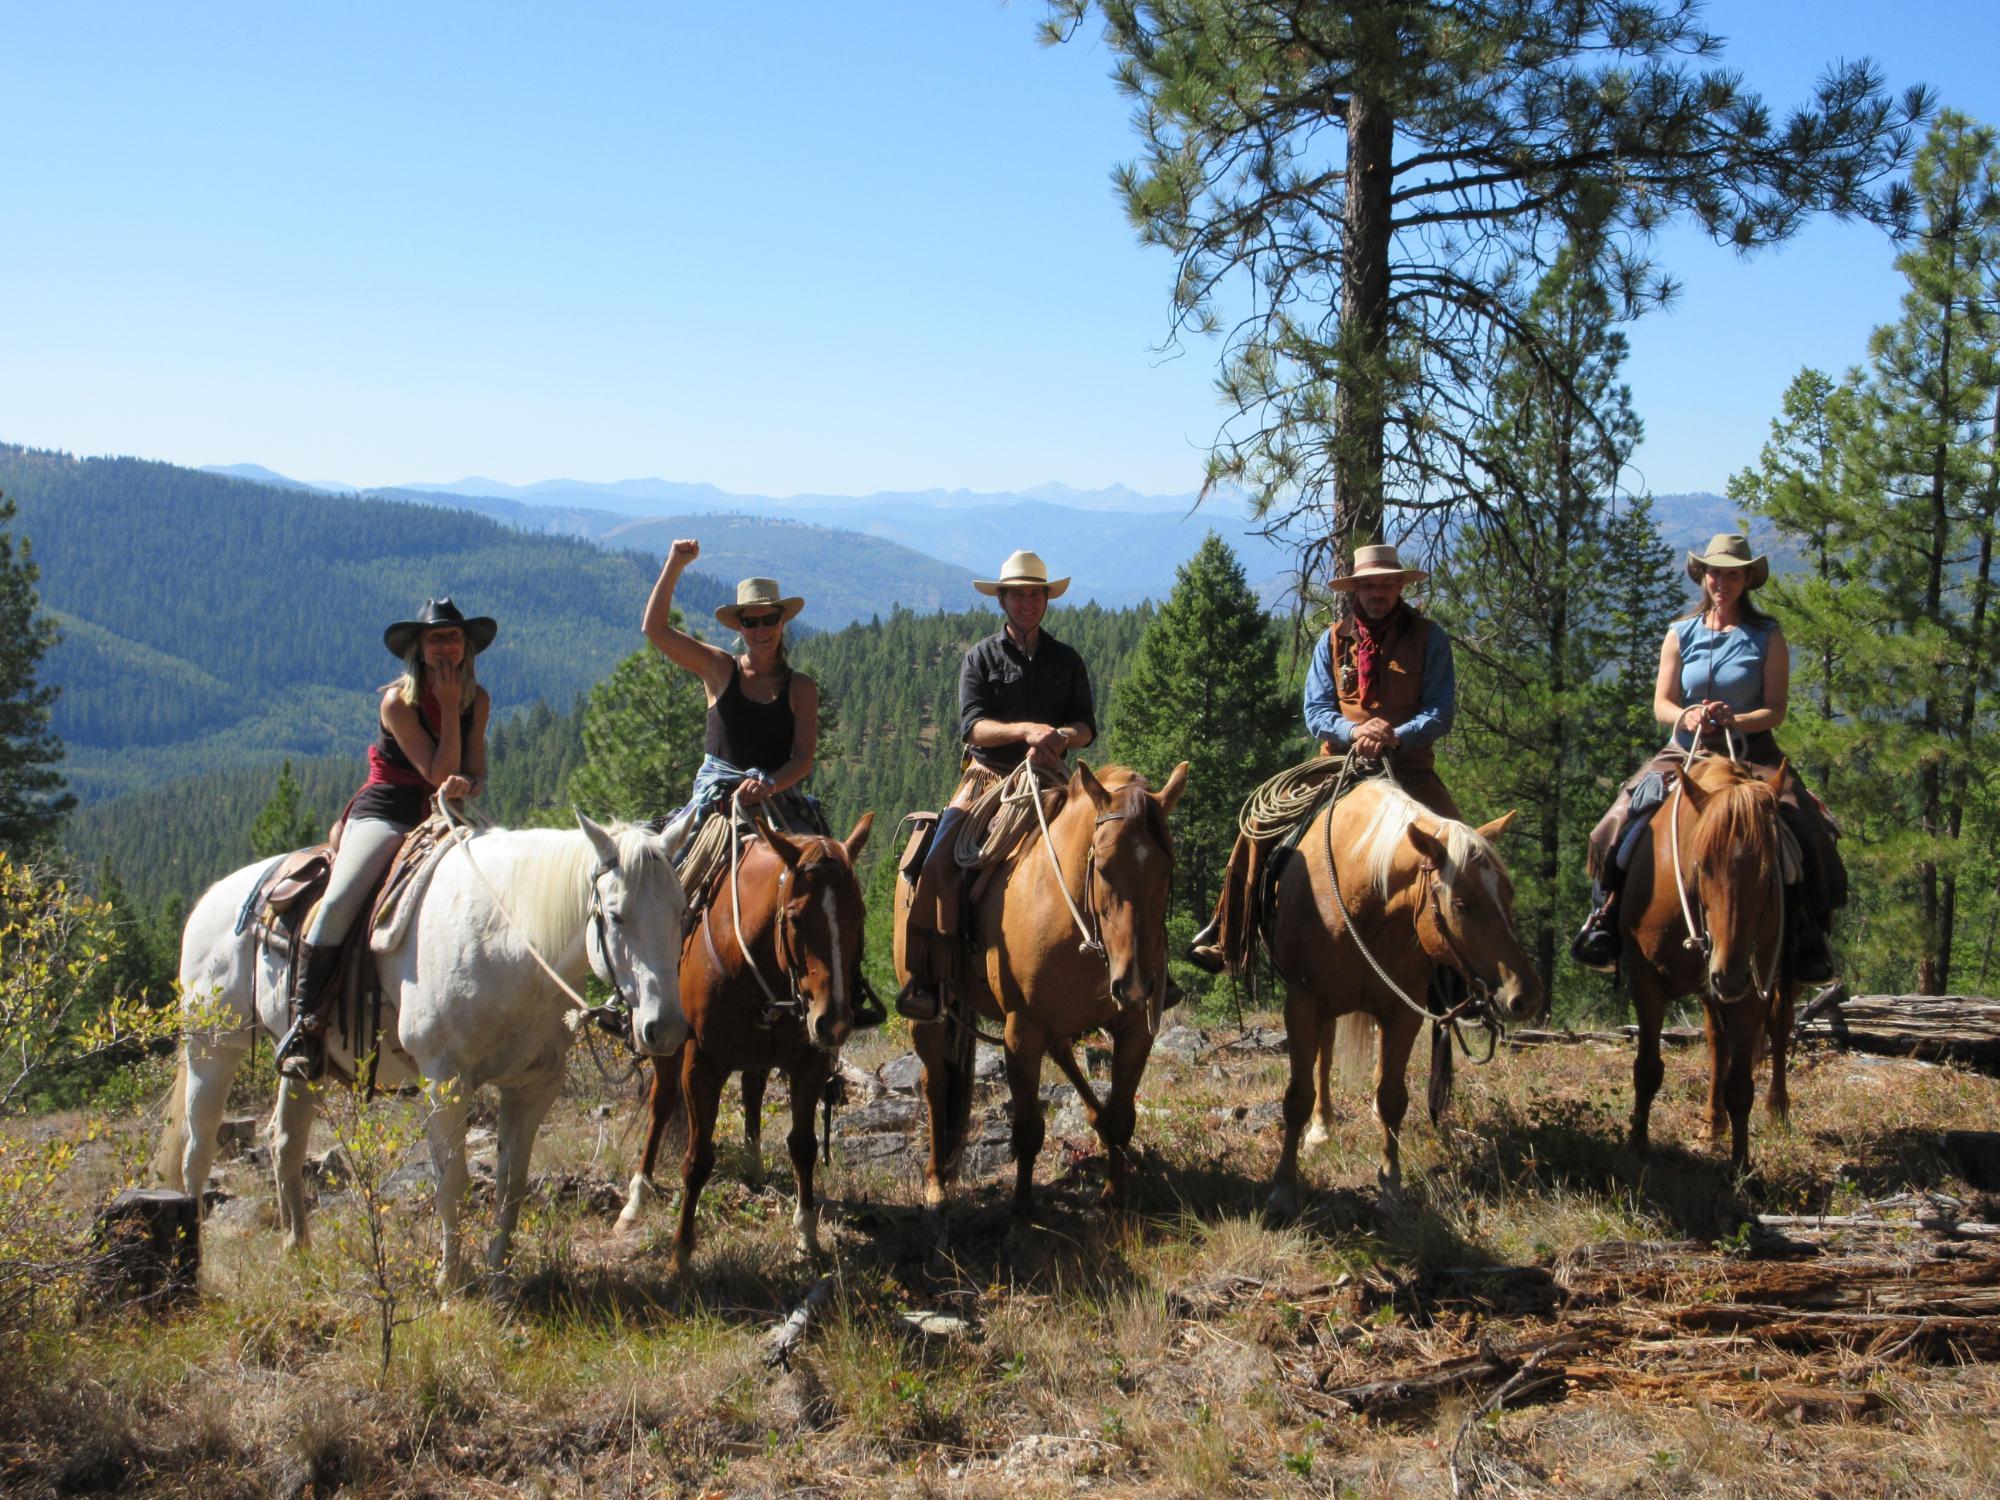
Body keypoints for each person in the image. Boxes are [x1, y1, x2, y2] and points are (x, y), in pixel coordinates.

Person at [1571, 533, 1845, 982]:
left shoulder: (1767, 635)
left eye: (1732, 573)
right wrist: (1690, 714)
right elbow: (1662, 704)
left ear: (1746, 579)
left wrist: (1734, 718)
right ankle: (1604, 918)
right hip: (1685, 750)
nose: (1723, 581)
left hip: (1752, 754)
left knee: (1804, 824)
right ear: (1703, 575)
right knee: (1615, 823)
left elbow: (1775, 709)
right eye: (1715, 572)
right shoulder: (1680, 633)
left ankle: (1808, 934)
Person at [1188, 542, 1457, 974]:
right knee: (1260, 823)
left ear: (1398, 587)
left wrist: (1394, 735)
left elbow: (1439, 711)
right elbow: (1317, 712)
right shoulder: (1331, 640)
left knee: (1461, 850)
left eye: (1386, 584)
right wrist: (1355, 731)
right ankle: (1228, 931)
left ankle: (1471, 973)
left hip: (1409, 767)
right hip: (1338, 763)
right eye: (1370, 585)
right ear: (1356, 590)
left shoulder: (1430, 639)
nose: (1378, 593)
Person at [276, 597, 495, 1080]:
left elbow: (472, 772)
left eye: (453, 637)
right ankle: (304, 1024)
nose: (446, 645)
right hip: (389, 811)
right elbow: (438, 770)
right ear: (418, 647)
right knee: (339, 901)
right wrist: (443, 702)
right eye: (436, 637)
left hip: (443, 813)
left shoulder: (477, 700)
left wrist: (468, 786)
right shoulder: (397, 701)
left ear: (465, 646)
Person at [897, 549, 1097, 1021]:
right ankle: (931, 974)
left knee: (1111, 845)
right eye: (1018, 596)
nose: (1027, 604)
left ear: (1045, 599)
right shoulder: (979, 658)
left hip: (1050, 776)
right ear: (1002, 600)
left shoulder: (1067, 659)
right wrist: (1026, 730)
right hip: (987, 776)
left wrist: (1061, 736)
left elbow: (1086, 725)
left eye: (1035, 595)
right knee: (940, 859)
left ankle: (1127, 966)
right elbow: (973, 729)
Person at [641, 539, 823, 841]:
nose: (761, 630)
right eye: (751, 622)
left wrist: (768, 785)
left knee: (824, 868)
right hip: (717, 799)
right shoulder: (720, 668)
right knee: (673, 866)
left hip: (776, 799)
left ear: (782, 622)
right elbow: (655, 629)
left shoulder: (801, 688)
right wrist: (674, 564)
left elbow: (803, 758)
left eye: (769, 619)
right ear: (740, 627)